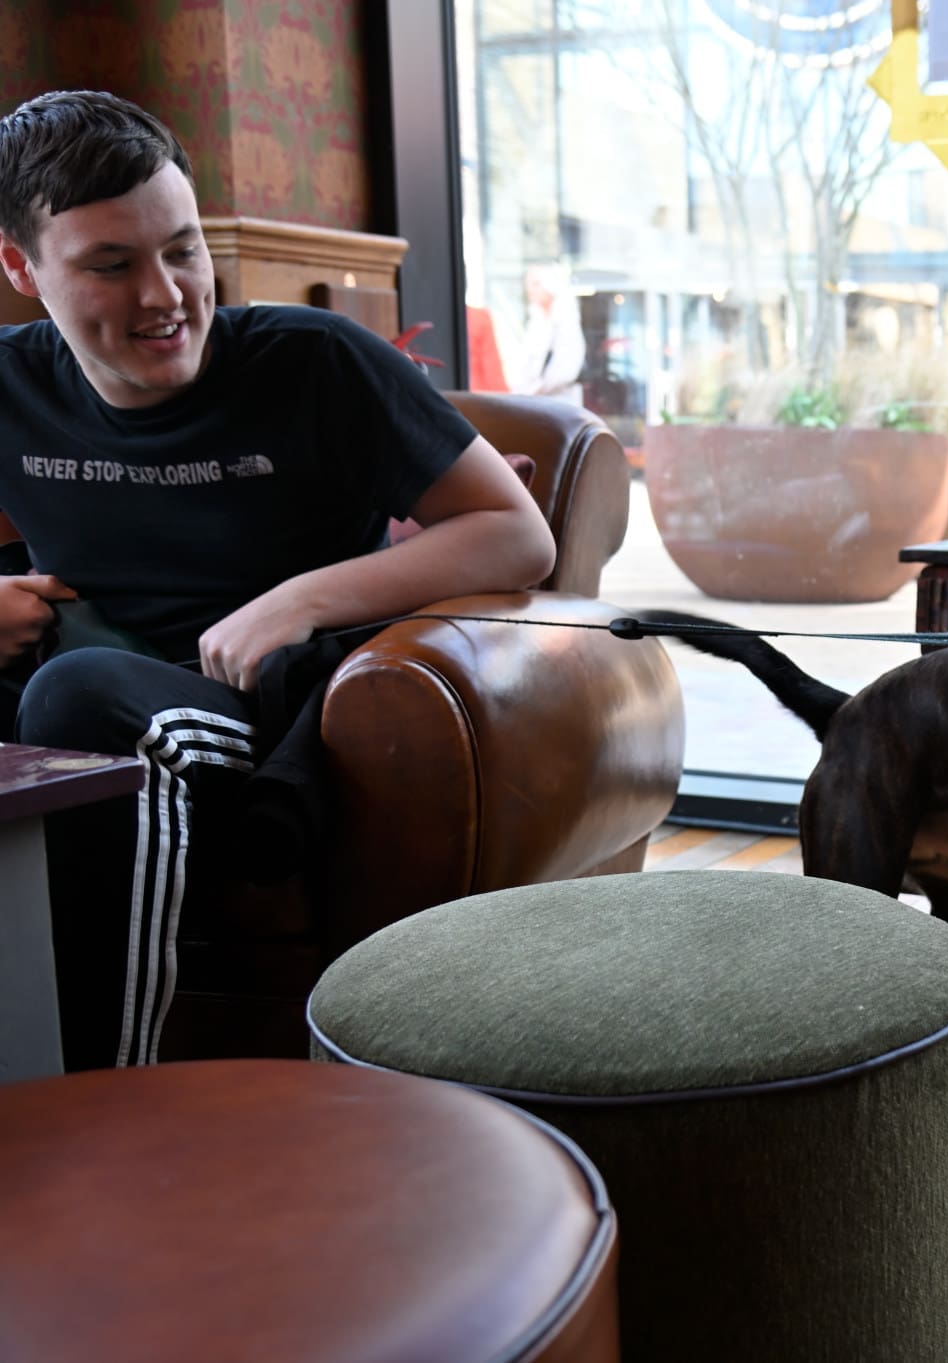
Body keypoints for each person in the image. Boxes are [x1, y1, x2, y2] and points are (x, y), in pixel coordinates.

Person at [0, 91, 557, 1070]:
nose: (165, 294)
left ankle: (92, 1110)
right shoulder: (9, 383)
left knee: (81, 699)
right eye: (112, 265)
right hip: (83, 684)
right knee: (68, 692)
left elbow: (514, 535)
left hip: (271, 718)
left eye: (182, 249)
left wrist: (296, 599)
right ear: (19, 267)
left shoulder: (314, 364)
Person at [510, 262, 586, 406]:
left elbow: (565, 371)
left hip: (559, 405)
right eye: (528, 284)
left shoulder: (565, 323)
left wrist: (535, 388)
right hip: (531, 403)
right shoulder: (535, 324)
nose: (530, 290)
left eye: (536, 284)